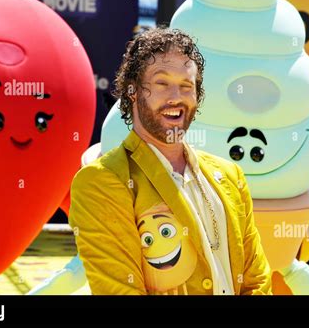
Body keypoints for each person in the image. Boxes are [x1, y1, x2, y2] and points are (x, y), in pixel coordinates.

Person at [68, 28, 272, 295]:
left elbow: (258, 281)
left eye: (187, 86)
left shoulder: (230, 175)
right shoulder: (101, 181)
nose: (176, 96)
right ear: (133, 92)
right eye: (162, 83)